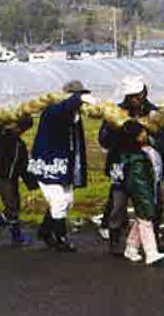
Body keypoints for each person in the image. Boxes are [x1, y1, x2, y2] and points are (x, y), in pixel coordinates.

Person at [98, 76, 164, 256]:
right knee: (118, 204)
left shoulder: (155, 113)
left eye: (139, 95)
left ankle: (152, 239)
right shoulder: (115, 114)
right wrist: (122, 132)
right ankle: (115, 240)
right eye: (132, 96)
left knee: (153, 204)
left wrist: (149, 139)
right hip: (123, 166)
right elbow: (104, 140)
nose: (136, 99)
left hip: (151, 167)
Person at [28, 80, 96, 252]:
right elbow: (62, 108)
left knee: (68, 201)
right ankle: (60, 239)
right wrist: (78, 99)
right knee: (58, 202)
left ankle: (45, 231)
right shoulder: (53, 110)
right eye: (77, 94)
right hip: (48, 163)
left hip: (64, 164)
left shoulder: (73, 114)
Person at [116, 121, 164, 265]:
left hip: (149, 191)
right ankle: (151, 252)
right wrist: (147, 201)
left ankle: (131, 248)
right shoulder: (137, 160)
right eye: (142, 132)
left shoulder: (141, 152)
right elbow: (139, 184)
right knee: (146, 221)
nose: (146, 133)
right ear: (136, 137)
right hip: (143, 195)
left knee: (141, 221)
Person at [0, 115, 38, 246]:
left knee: (15, 206)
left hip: (11, 178)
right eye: (20, 127)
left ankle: (14, 235)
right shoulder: (2, 135)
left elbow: (24, 167)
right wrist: (0, 122)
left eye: (24, 129)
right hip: (1, 176)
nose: (20, 130)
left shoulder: (20, 145)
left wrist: (33, 185)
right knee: (12, 207)